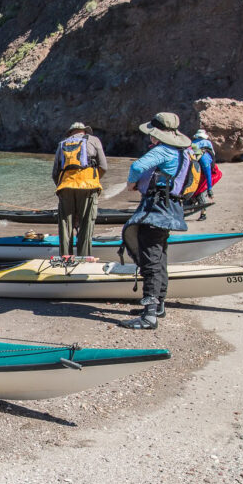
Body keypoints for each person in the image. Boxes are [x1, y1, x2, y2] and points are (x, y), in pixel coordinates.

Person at [120, 112, 198, 330]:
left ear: (157, 135)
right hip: (171, 207)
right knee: (160, 255)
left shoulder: (163, 150)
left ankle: (149, 315)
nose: (150, 139)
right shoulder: (183, 151)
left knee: (151, 259)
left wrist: (131, 185)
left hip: (155, 208)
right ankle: (159, 305)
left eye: (151, 135)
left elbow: (137, 167)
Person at [51, 122, 108, 256]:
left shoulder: (62, 144)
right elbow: (104, 167)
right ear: (84, 131)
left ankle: (65, 259)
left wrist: (61, 189)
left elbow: (55, 173)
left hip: (66, 187)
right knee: (86, 225)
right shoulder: (94, 140)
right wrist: (94, 179)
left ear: (71, 133)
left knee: (65, 227)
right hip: (88, 186)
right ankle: (84, 258)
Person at [188, 129, 219, 220]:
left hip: (199, 172)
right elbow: (208, 172)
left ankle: (203, 213)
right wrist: (209, 189)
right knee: (200, 192)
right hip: (205, 172)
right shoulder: (208, 144)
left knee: (199, 193)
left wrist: (209, 189)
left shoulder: (193, 145)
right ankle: (202, 213)